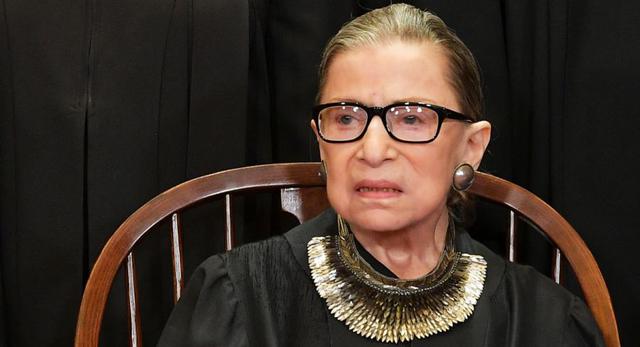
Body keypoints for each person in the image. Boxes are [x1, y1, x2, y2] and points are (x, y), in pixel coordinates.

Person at [157, 4, 604, 346]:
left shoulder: (540, 321)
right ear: (320, 138)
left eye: (412, 118)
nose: (371, 150)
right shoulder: (239, 299)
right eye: (346, 119)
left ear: (472, 146)